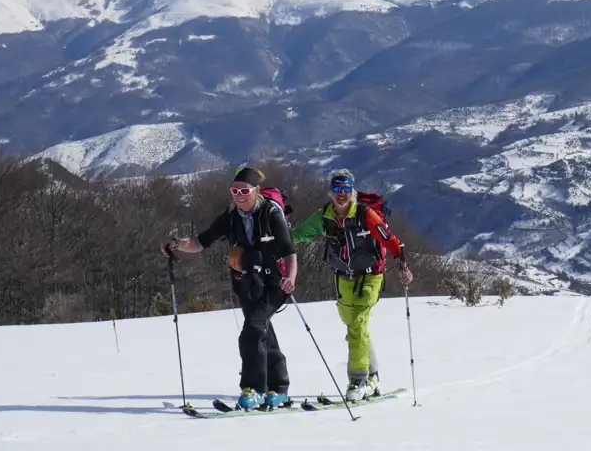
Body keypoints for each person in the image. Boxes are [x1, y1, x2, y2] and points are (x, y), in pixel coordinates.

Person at [160, 166, 298, 410]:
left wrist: (291, 277)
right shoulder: (231, 216)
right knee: (262, 330)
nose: (239, 195)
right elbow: (200, 242)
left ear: (256, 191)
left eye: (244, 191)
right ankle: (279, 389)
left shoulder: (270, 214)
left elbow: (289, 251)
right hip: (246, 284)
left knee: (252, 331)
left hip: (274, 284)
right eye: (234, 191)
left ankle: (254, 390)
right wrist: (176, 243)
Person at [290, 168, 413, 402]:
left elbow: (390, 239)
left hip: (370, 276)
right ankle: (373, 377)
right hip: (343, 278)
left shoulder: (365, 214)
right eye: (337, 188)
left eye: (346, 189)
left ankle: (358, 380)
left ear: (352, 191)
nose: (341, 193)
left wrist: (402, 265)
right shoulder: (323, 217)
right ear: (331, 192)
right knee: (355, 327)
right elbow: (300, 234)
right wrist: (277, 239)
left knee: (357, 324)